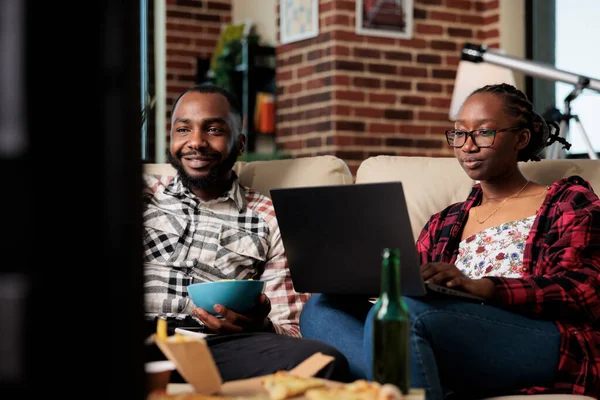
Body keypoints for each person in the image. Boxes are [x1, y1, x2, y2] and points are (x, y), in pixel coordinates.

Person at [299, 83, 600, 399]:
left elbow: (585, 291)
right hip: (448, 342)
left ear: (521, 138)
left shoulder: (567, 201)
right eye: (459, 133)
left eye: (484, 133)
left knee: (408, 316)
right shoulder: (444, 222)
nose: (467, 146)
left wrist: (485, 286)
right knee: (322, 308)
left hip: (540, 338)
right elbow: (411, 289)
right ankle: (430, 384)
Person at [142, 83, 349, 382]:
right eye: (183, 130)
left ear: (239, 144)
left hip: (216, 346)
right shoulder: (143, 192)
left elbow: (290, 328)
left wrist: (259, 325)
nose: (196, 142)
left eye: (213, 130)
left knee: (321, 362)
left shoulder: (271, 218)